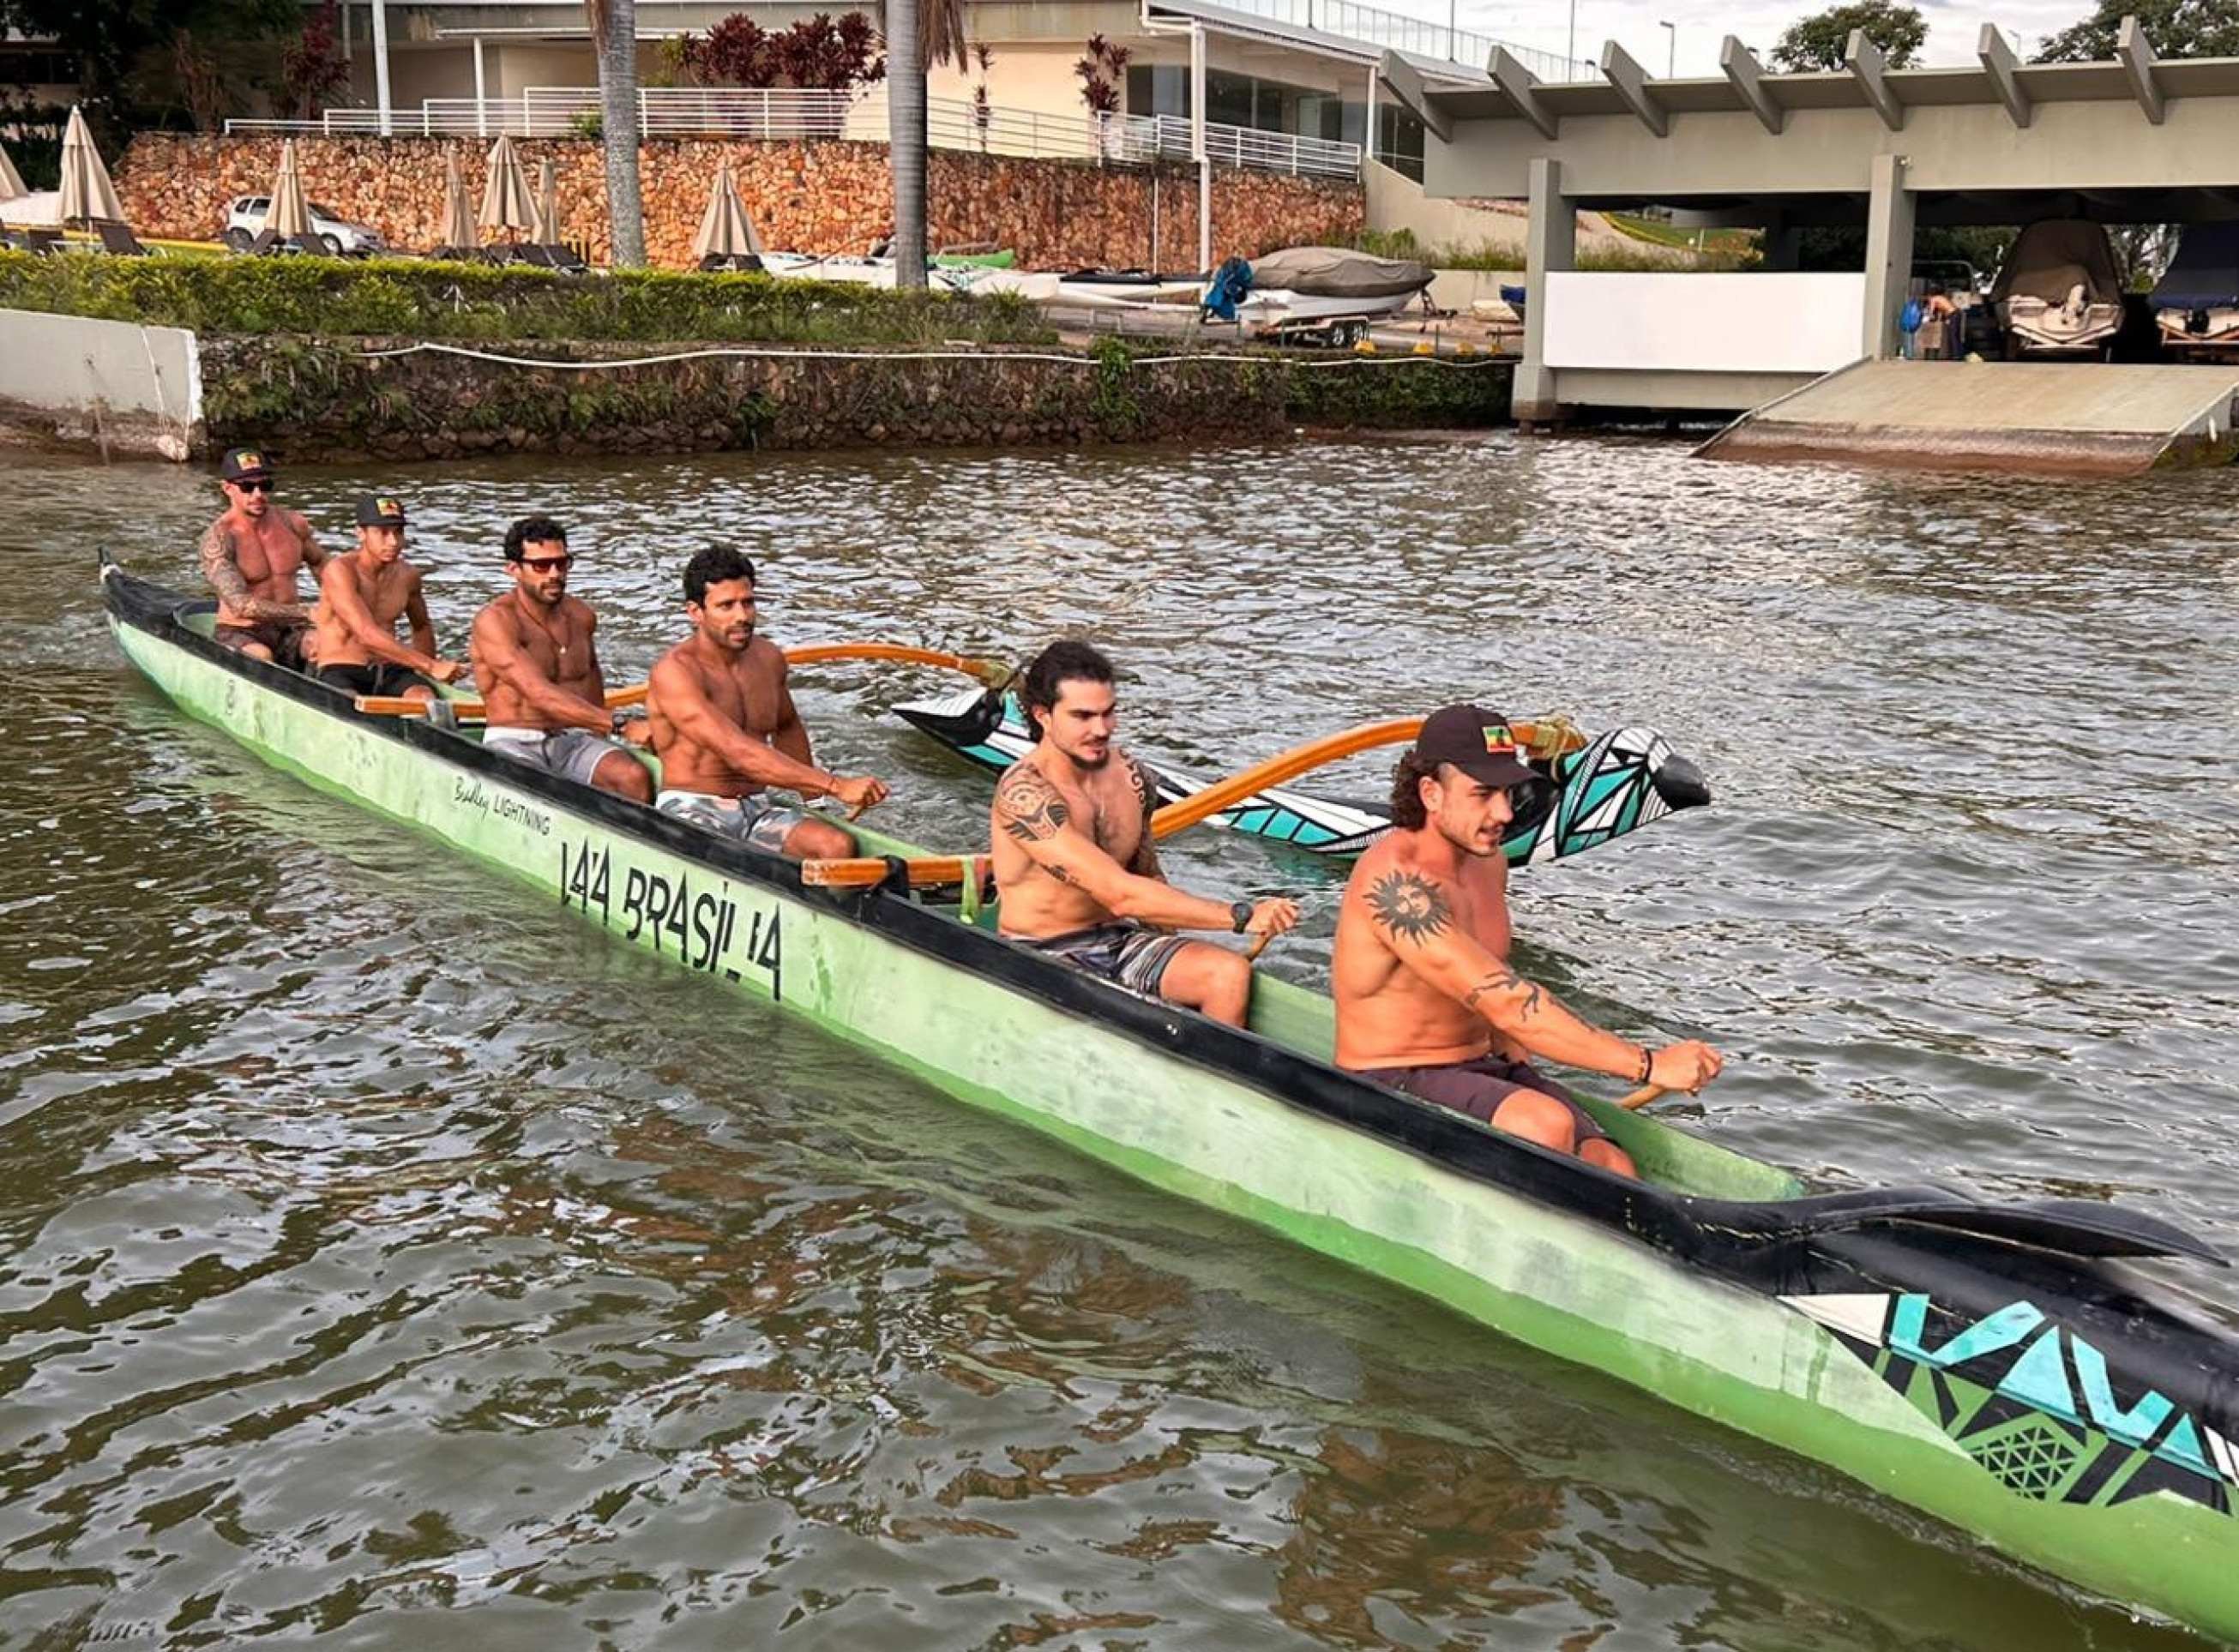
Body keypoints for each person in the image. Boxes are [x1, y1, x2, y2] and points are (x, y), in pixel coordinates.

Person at [1331, 705, 1724, 1177]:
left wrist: (1502, 1040)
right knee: (1545, 1125)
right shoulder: (1395, 887)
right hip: (1390, 1077)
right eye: (1482, 794)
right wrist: (1647, 1065)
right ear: (1431, 793)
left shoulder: (1487, 862)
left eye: (1507, 793)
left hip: (1482, 1064)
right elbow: (1507, 1001)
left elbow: (1485, 975)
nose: (1503, 812)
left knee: (1613, 1164)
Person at [990, 640, 1298, 1027]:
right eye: (1083, 716)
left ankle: (1205, 1083)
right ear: (1043, 716)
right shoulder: (1025, 794)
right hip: (1041, 952)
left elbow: (1146, 875)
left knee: (1228, 973)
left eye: (1108, 713)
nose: (1101, 729)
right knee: (1114, 1012)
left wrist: (1174, 942)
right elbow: (1119, 893)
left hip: (1119, 939)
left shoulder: (1133, 777)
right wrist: (1240, 916)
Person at [645, 546, 888, 856]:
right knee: (722, 854)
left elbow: (787, 727)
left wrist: (814, 801)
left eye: (748, 603)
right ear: (696, 612)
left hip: (757, 807)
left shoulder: (769, 658)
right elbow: (737, 752)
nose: (742, 616)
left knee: (837, 846)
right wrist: (837, 785)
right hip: (694, 806)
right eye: (726, 606)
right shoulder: (675, 672)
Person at [469, 516, 653, 802]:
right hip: (515, 739)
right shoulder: (495, 621)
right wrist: (621, 724)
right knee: (539, 791)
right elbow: (538, 693)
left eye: (562, 563)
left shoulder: (582, 617)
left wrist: (606, 735)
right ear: (514, 569)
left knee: (633, 777)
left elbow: (590, 683)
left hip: (573, 739)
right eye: (542, 565)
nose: (554, 573)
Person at [309, 495, 466, 704]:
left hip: (389, 668)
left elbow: (421, 626)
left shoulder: (408, 575)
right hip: (342, 668)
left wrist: (428, 675)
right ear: (361, 533)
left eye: (398, 532)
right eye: (382, 533)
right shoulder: (340, 570)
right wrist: (430, 666)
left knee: (426, 700)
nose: (393, 542)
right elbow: (365, 633)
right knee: (349, 705)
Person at [198, 448, 326, 669]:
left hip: (290, 629)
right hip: (241, 631)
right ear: (227, 488)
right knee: (261, 656)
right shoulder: (219, 538)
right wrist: (308, 613)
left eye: (265, 486)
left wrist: (341, 604)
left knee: (329, 647)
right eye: (247, 487)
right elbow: (241, 605)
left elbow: (322, 564)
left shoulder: (293, 524)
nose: (258, 494)